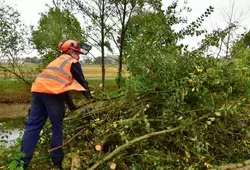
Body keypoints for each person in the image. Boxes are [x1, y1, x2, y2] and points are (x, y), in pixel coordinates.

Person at [20, 40, 93, 169]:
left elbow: (62, 87)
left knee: (32, 127)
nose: (79, 56)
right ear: (71, 51)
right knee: (57, 127)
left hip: (38, 91)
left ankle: (21, 162)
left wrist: (71, 106)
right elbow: (82, 82)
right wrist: (90, 97)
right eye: (77, 53)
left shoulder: (56, 62)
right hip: (53, 95)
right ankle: (56, 162)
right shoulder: (72, 62)